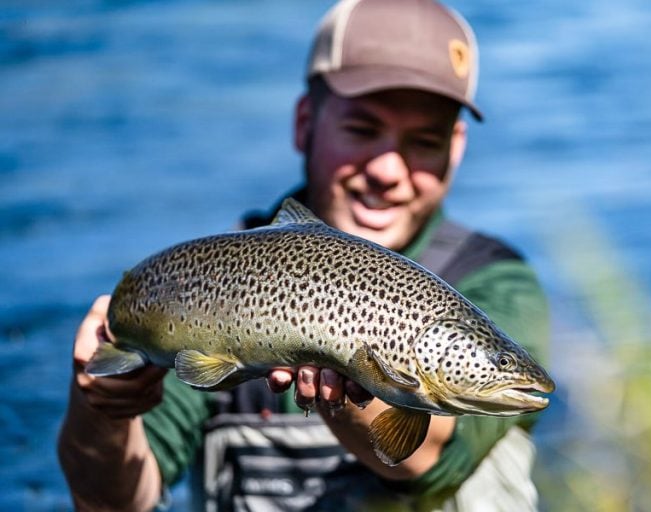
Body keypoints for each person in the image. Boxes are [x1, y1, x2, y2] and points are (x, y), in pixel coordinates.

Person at [57, 0, 550, 510]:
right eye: (362, 130)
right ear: (304, 122)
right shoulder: (214, 285)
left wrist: (347, 398)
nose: (387, 170)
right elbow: (114, 504)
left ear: (457, 147)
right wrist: (102, 409)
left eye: (423, 141)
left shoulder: (495, 281)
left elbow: (429, 468)